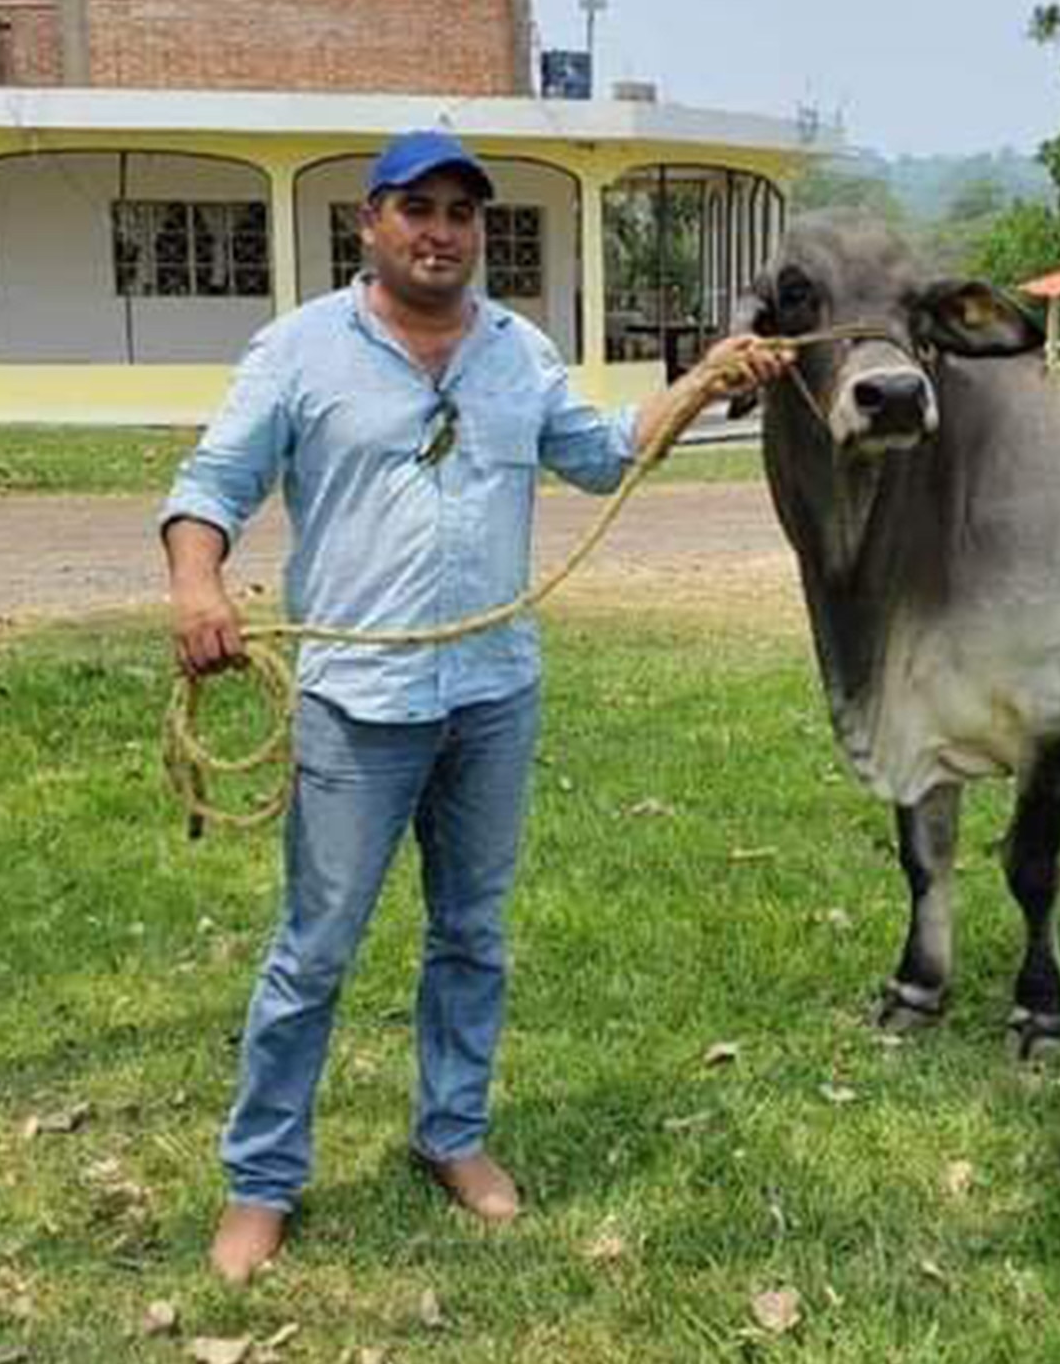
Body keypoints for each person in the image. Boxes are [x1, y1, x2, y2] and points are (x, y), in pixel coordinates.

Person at [160, 129, 789, 1284]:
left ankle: (450, 1134)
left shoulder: (516, 352)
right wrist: (197, 585)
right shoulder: (300, 350)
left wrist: (702, 380)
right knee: (315, 948)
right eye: (417, 208)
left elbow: (601, 455)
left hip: (492, 695)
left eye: (461, 212)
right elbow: (213, 483)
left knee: (471, 935)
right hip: (356, 705)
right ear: (369, 222)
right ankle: (261, 1181)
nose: (441, 232)